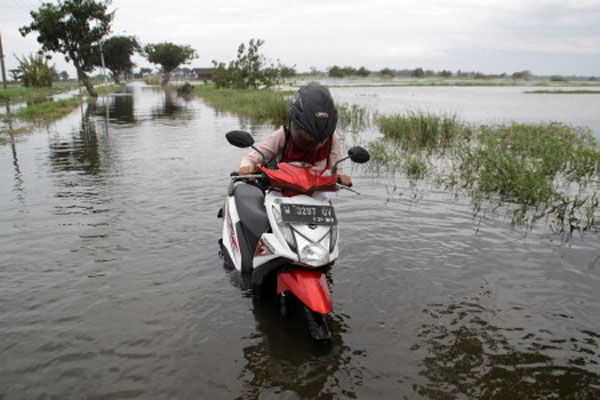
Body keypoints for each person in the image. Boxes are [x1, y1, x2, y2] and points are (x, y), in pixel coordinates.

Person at [239, 82, 352, 186]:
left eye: (318, 140)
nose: (313, 143)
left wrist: (341, 177)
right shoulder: (283, 135)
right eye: (307, 136)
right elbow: (255, 157)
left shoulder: (331, 141)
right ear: (296, 126)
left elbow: (336, 169)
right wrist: (247, 166)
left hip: (316, 193)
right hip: (280, 190)